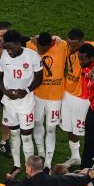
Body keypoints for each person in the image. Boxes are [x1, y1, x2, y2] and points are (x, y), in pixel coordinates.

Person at [0, 30, 42, 179]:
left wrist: (26, 90)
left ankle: (30, 168)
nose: (9, 51)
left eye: (12, 47)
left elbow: (39, 78)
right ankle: (16, 165)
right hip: (9, 103)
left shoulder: (32, 56)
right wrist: (5, 92)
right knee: (14, 134)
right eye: (7, 47)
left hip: (26, 102)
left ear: (19, 43)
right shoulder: (3, 56)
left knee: (26, 136)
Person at [0, 21, 29, 160]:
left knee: (8, 115)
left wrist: (55, 38)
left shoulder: (20, 41)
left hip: (12, 86)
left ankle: (4, 142)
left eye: (2, 36)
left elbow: (36, 40)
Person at [27, 32, 67, 171]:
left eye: (43, 49)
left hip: (55, 97)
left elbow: (87, 46)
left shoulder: (62, 45)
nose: (40, 51)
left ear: (50, 44)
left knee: (51, 128)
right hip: (37, 95)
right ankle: (41, 154)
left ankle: (48, 162)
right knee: (37, 123)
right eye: (39, 48)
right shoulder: (31, 45)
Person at [59, 29, 94, 168]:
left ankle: (88, 161)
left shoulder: (92, 50)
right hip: (68, 93)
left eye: (74, 46)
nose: (71, 48)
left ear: (82, 41)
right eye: (69, 44)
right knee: (70, 127)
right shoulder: (67, 46)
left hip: (84, 98)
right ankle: (75, 156)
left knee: (83, 129)